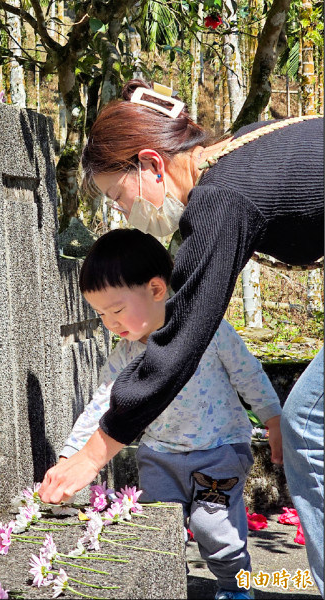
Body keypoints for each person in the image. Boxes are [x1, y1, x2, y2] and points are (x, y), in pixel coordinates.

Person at [39, 80, 324, 595]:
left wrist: (93, 455)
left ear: (150, 163)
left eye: (117, 196)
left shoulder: (220, 199)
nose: (124, 215)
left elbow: (181, 339)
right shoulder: (239, 157)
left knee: (308, 424)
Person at [59, 228, 282, 600]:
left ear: (157, 289)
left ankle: (236, 587)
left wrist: (273, 419)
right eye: (101, 315)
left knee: (214, 528)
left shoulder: (208, 330)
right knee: (157, 530)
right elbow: (101, 404)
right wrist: (71, 456)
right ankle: (167, 586)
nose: (111, 323)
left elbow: (248, 374)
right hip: (160, 457)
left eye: (117, 310)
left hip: (220, 450)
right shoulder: (125, 356)